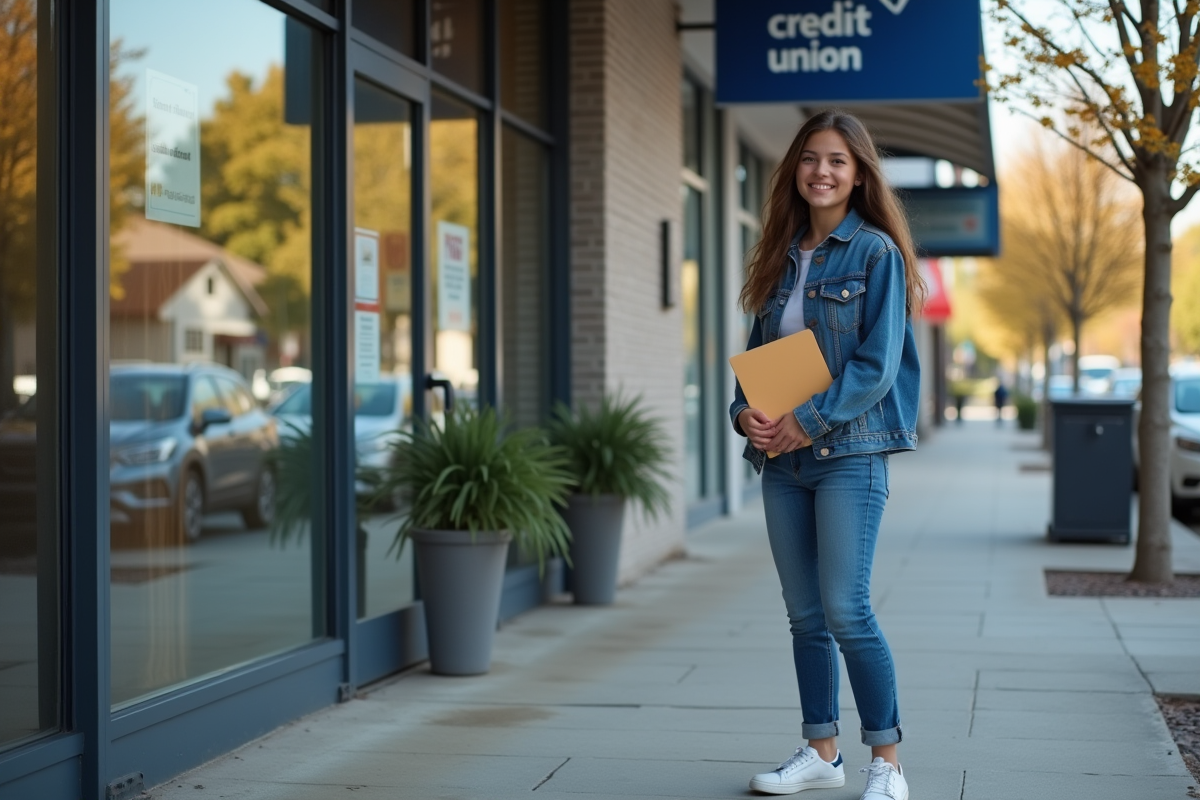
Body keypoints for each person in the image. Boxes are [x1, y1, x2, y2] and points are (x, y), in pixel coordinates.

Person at [730, 109, 924, 800]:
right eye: (811, 158)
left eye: (838, 160)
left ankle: (888, 764)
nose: (822, 171)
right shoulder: (780, 254)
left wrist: (806, 421)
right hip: (783, 463)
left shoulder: (875, 254)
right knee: (805, 615)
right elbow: (755, 364)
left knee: (847, 610)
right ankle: (821, 752)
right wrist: (744, 414)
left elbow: (874, 366)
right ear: (795, 169)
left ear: (858, 172)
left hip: (849, 453)